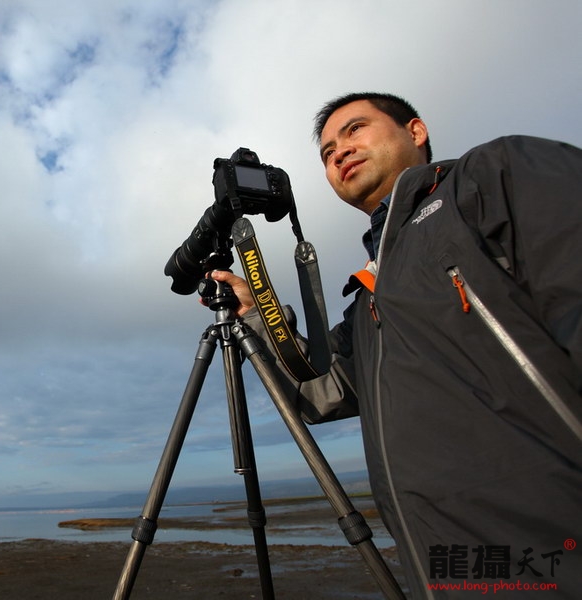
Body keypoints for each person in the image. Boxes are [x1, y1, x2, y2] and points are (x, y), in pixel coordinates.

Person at [211, 92, 582, 598]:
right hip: (446, 564)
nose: (339, 152)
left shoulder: (493, 176)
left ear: (416, 131)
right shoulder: (369, 295)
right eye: (326, 152)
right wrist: (256, 312)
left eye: (355, 129)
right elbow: (318, 394)